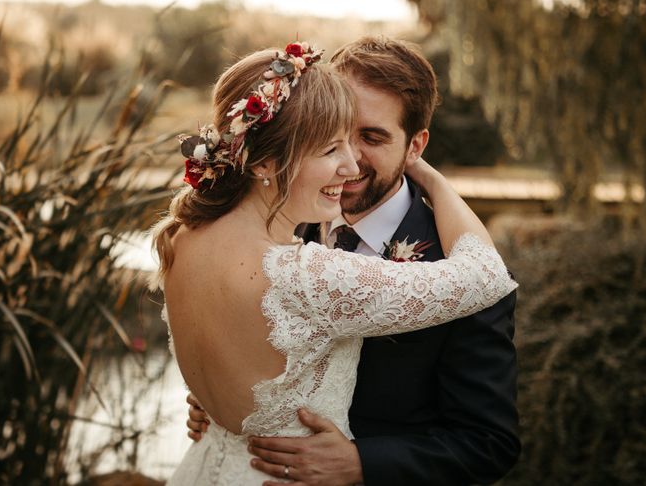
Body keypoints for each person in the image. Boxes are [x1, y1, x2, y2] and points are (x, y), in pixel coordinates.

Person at [153, 41, 516, 485]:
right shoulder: (288, 230)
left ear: (415, 145)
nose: (351, 161)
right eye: (334, 140)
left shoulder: (182, 235)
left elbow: (489, 443)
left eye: (372, 137)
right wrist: (227, 407)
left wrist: (364, 463)